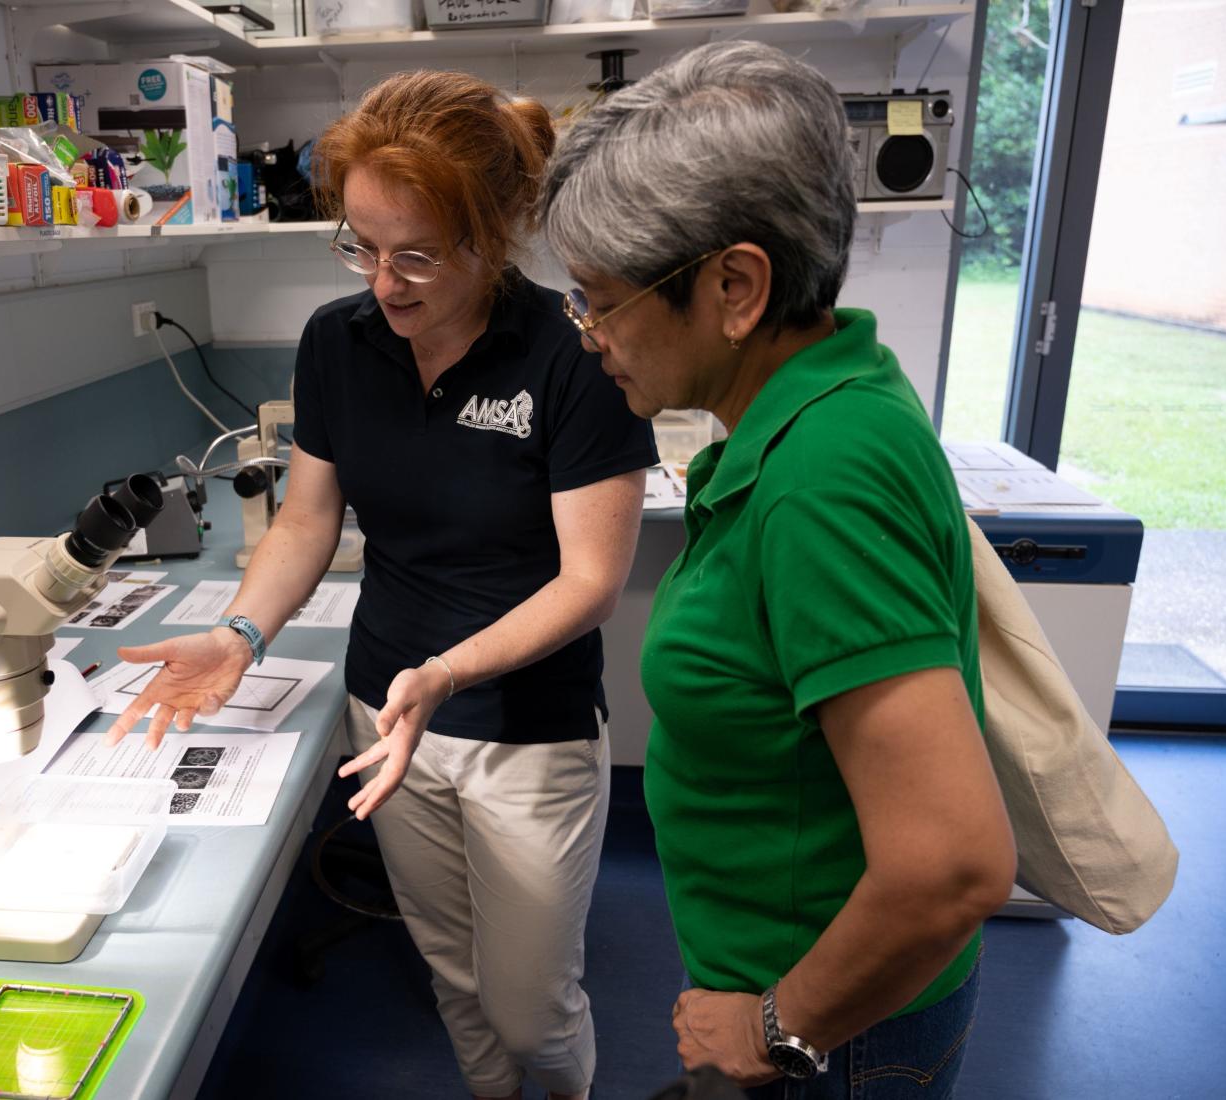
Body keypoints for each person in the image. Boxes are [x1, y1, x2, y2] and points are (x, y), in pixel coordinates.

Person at [106, 70, 658, 1100]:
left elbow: (589, 580)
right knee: (453, 967)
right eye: (359, 245)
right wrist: (239, 633)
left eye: (414, 254)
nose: (383, 281)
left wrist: (446, 670)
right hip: (385, 707)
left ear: (492, 235)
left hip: (523, 725)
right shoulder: (338, 342)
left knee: (533, 1001)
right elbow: (309, 518)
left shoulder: (572, 354)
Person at [537, 41, 1018, 1099]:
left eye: (602, 300)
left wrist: (775, 1024)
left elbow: (954, 861)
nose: (589, 335)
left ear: (736, 285)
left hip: (837, 1024)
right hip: (817, 985)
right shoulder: (814, 408)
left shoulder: (822, 478)